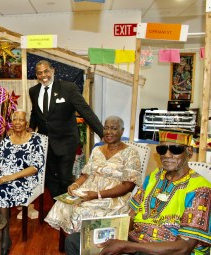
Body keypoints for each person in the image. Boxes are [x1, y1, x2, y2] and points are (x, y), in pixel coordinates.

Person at [67, 129, 211, 255]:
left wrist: (127, 246)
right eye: (162, 150)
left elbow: (184, 247)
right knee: (75, 242)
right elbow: (132, 214)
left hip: (164, 250)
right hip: (136, 241)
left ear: (189, 152)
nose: (167, 155)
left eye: (176, 149)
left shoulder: (200, 189)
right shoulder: (154, 177)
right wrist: (112, 236)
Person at [45, 116, 142, 234]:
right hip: (90, 190)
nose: (109, 132)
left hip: (113, 197)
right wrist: (75, 185)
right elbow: (86, 175)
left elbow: (128, 186)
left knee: (80, 211)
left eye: (114, 128)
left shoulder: (131, 153)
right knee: (63, 203)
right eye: (106, 128)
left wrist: (97, 195)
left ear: (122, 131)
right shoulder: (97, 150)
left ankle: (85, 244)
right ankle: (74, 241)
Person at [29, 60, 104, 198]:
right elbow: (35, 113)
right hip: (45, 142)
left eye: (46, 71)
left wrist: (102, 133)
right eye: (39, 73)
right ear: (36, 75)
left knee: (64, 177)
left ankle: (66, 206)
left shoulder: (68, 88)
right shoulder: (33, 91)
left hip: (66, 141)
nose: (43, 75)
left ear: (53, 71)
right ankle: (56, 205)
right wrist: (30, 128)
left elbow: (85, 110)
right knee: (51, 178)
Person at [0, 109, 45, 255]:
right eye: (15, 119)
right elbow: (1, 163)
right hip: (5, 177)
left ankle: (5, 238)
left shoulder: (35, 140)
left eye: (21, 120)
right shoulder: (6, 140)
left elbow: (35, 167)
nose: (17, 122)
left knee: (0, 193)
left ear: (26, 123)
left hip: (26, 179)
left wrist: (10, 177)